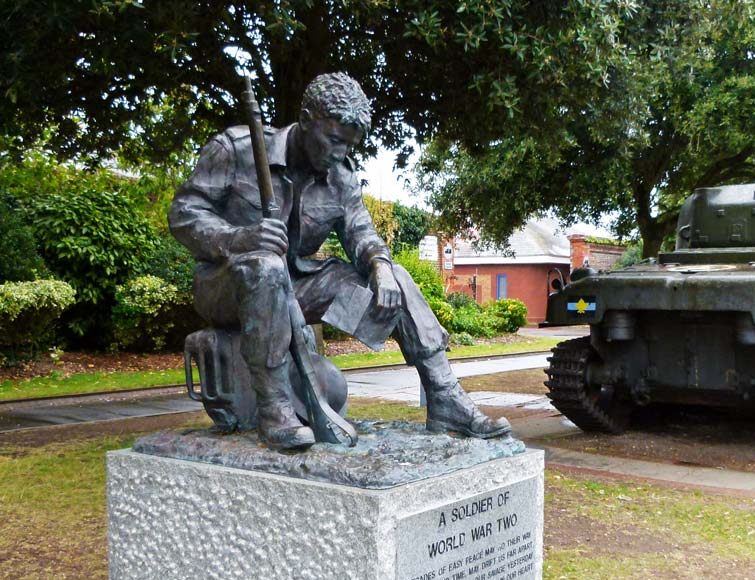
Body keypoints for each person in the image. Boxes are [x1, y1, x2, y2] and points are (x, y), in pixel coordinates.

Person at [169, 72, 510, 449]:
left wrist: (380, 264)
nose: (339, 154)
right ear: (306, 118)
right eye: (333, 140)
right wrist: (237, 238)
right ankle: (274, 407)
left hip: (296, 285)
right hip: (226, 285)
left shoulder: (342, 178)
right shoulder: (235, 149)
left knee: (392, 277)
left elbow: (361, 234)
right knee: (264, 268)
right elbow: (185, 213)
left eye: (348, 146)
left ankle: (444, 396)